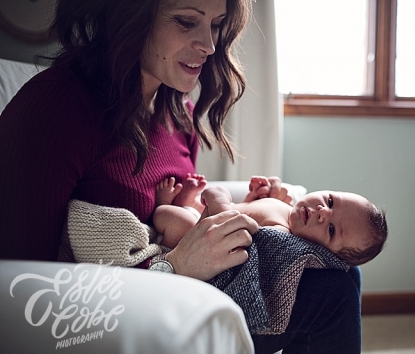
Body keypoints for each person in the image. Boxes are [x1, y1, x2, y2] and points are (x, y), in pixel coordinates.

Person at [0, 0, 362, 352]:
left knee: (338, 266)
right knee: (334, 294)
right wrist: (175, 269)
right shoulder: (53, 108)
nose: (209, 45)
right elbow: (22, 285)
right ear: (128, 15)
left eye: (217, 24)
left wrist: (253, 212)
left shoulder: (177, 111)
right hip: (117, 309)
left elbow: (178, 212)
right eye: (186, 22)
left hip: (186, 283)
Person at [154, 176, 388, 266]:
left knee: (169, 216)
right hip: (205, 220)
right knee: (191, 210)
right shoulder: (286, 208)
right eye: (330, 201)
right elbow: (247, 210)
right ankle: (186, 203)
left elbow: (238, 236)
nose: (322, 212)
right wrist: (253, 198)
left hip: (196, 240)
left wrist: (220, 205)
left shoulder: (281, 235)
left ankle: (170, 206)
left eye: (331, 228)